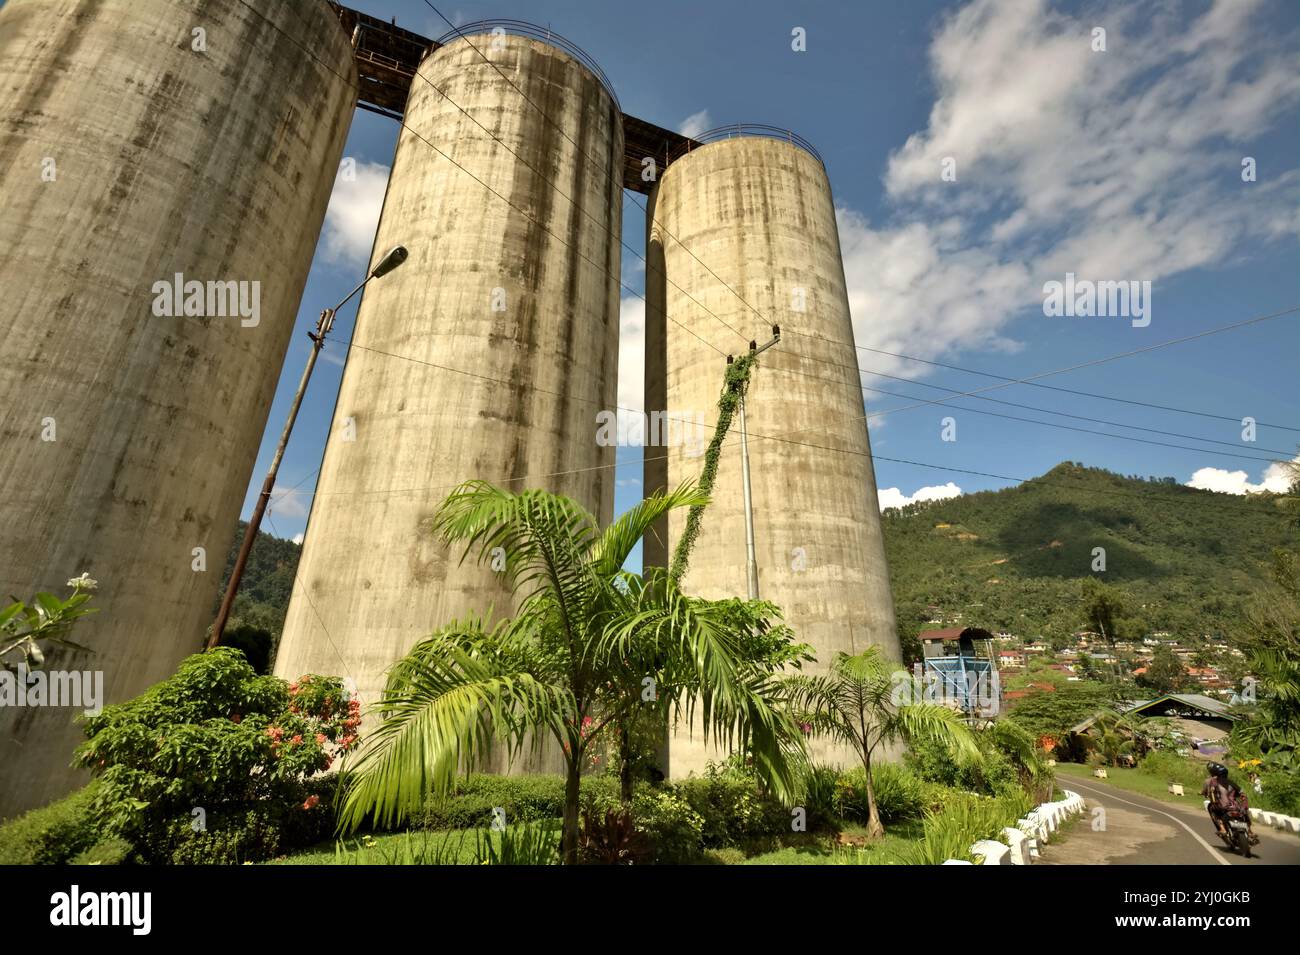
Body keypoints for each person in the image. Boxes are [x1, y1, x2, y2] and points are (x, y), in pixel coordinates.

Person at [1202, 762, 1257, 843]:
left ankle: (1222, 828)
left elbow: (1205, 792)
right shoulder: (1231, 782)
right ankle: (1249, 832)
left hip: (1221, 807)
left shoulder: (1209, 781)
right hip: (1236, 807)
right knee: (1244, 813)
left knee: (1211, 808)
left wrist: (1203, 793)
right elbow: (1241, 793)